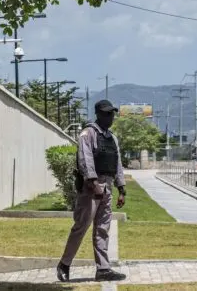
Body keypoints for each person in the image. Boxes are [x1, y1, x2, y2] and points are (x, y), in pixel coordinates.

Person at [57, 99, 127, 282]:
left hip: (108, 187)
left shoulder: (112, 138)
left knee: (103, 229)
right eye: (106, 113)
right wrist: (93, 182)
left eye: (112, 113)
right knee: (81, 227)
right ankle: (64, 264)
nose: (110, 116)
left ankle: (103, 269)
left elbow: (117, 163)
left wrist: (122, 188)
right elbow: (85, 159)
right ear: (98, 114)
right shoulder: (88, 134)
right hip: (91, 188)